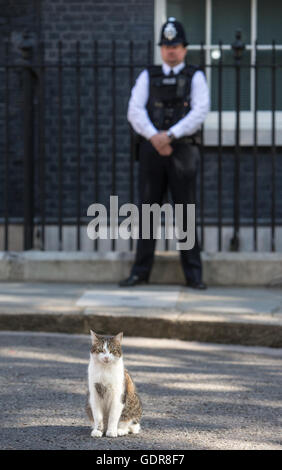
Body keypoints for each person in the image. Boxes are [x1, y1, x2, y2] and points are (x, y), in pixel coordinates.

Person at [119, 17, 210, 289]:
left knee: (185, 214)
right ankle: (140, 272)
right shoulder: (148, 75)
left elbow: (200, 111)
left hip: (183, 151)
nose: (171, 50)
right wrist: (155, 137)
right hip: (151, 149)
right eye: (167, 46)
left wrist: (169, 136)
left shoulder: (196, 76)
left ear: (184, 48)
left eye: (176, 45)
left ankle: (194, 275)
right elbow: (134, 110)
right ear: (161, 49)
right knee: (147, 212)